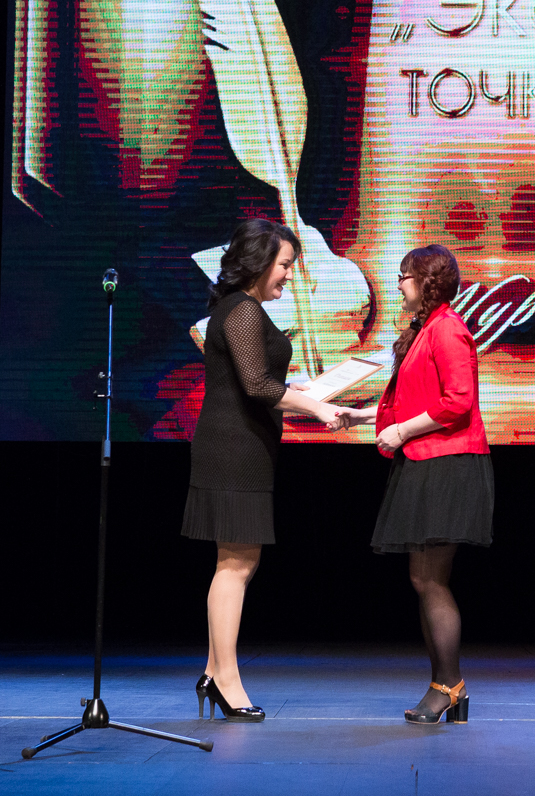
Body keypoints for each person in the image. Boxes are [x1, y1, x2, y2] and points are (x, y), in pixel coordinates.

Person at [182, 218, 346, 721]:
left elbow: (254, 378)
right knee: (234, 565)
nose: (289, 275)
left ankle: (214, 671)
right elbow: (255, 385)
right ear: (258, 263)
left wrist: (306, 392)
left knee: (238, 563)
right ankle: (226, 680)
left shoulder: (241, 309)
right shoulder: (242, 309)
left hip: (244, 447)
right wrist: (316, 407)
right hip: (232, 449)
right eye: (285, 264)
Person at [337, 244, 493, 725]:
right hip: (428, 461)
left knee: (431, 579)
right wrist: (361, 416)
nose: (399, 284)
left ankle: (449, 685)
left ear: (428, 282)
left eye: (405, 275)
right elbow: (413, 401)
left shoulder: (448, 329)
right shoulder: (425, 330)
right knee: (424, 579)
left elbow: (458, 401)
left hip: (448, 464)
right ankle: (447, 686)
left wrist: (402, 431)